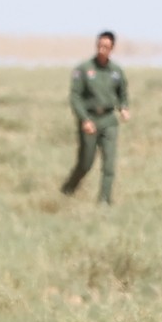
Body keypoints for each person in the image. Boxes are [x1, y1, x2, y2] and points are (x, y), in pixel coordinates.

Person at [62, 30, 131, 202]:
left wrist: (123, 107)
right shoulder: (84, 69)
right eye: (100, 45)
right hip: (90, 120)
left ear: (112, 48)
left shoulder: (116, 71)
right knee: (86, 163)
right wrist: (84, 119)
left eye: (106, 47)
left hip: (109, 120)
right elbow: (75, 97)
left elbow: (122, 93)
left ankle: (104, 202)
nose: (102, 49)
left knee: (109, 164)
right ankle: (67, 189)